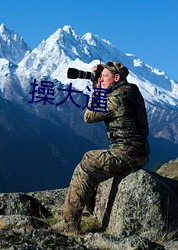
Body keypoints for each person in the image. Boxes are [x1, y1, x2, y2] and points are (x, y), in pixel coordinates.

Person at [52, 61, 150, 233]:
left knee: (85, 168)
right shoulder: (131, 90)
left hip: (127, 153)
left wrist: (97, 90)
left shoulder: (116, 99)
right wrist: (101, 79)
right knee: (89, 156)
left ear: (117, 77)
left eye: (105, 76)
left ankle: (69, 224)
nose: (101, 79)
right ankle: (89, 210)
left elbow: (88, 117)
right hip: (137, 151)